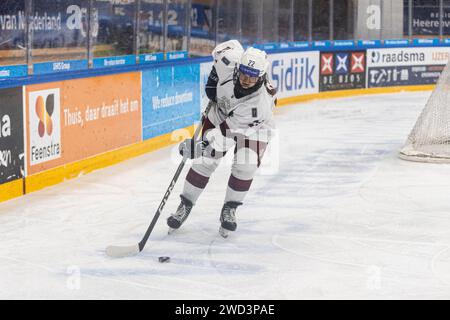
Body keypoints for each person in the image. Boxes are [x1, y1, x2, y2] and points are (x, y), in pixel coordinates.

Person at [167, 41, 277, 238]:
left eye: (251, 79)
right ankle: (185, 205)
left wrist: (199, 145)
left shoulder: (259, 104)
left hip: (254, 128)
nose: (245, 80)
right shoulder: (228, 59)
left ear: (261, 78)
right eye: (242, 74)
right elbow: (225, 48)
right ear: (237, 68)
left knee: (246, 163)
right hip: (222, 112)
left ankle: (230, 208)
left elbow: (224, 133)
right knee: (204, 161)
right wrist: (214, 79)